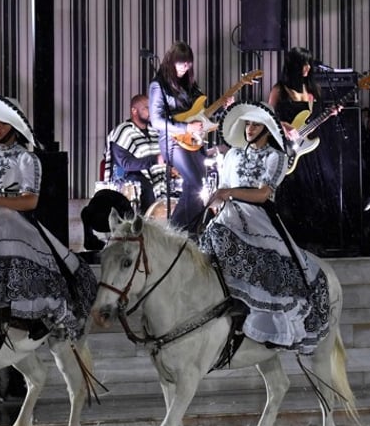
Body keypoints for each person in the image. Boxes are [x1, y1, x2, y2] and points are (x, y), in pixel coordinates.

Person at [0, 94, 97, 340]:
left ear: (14, 127)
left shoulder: (26, 159)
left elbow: (31, 200)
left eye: (3, 123)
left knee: (18, 257)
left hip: (10, 216)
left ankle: (19, 309)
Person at [198, 102, 330, 353]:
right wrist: (215, 201)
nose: (249, 128)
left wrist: (228, 193)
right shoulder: (232, 155)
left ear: (266, 129)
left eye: (255, 124)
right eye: (247, 124)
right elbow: (223, 187)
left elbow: (263, 194)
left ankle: (261, 320)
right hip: (228, 213)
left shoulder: (276, 157)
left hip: (257, 216)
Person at [147, 41, 211, 234]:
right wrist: (185, 127)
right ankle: (174, 232)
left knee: (201, 187)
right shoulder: (158, 86)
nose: (186, 67)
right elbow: (156, 121)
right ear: (171, 62)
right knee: (195, 184)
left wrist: (224, 106)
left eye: (188, 63)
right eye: (181, 63)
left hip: (192, 141)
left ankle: (188, 231)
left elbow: (200, 111)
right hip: (173, 141)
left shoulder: (189, 85)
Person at [266, 47, 329, 244]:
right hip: (286, 151)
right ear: (294, 65)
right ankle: (288, 241)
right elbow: (267, 117)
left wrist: (329, 115)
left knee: (311, 196)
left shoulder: (313, 91)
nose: (308, 68)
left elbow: (312, 125)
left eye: (309, 64)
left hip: (309, 153)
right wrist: (284, 125)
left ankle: (309, 241)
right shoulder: (279, 90)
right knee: (289, 198)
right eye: (304, 63)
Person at [103, 93, 163, 212]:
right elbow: (126, 164)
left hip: (155, 177)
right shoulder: (122, 132)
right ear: (134, 111)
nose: (151, 111)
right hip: (127, 179)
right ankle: (145, 225)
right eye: (147, 108)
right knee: (144, 185)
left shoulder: (154, 132)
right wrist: (155, 160)